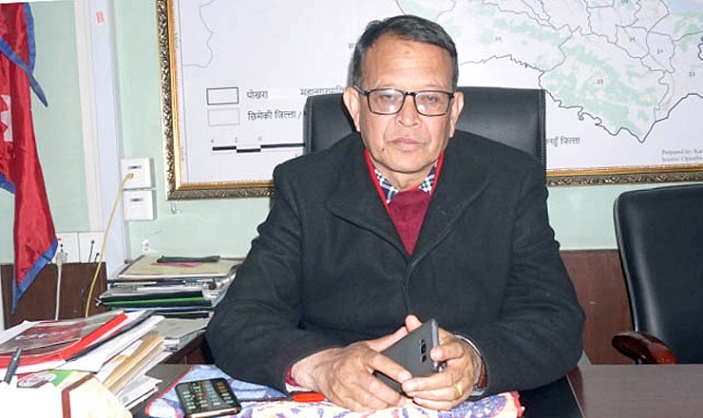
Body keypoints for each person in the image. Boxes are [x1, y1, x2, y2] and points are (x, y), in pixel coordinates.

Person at [206, 14, 584, 412]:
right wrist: (322, 366)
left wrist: (475, 361)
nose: (408, 118)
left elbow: (556, 321)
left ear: (454, 112)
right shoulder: (304, 187)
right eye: (387, 96)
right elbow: (239, 322)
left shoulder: (511, 180)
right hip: (345, 404)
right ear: (355, 107)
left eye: (430, 99)